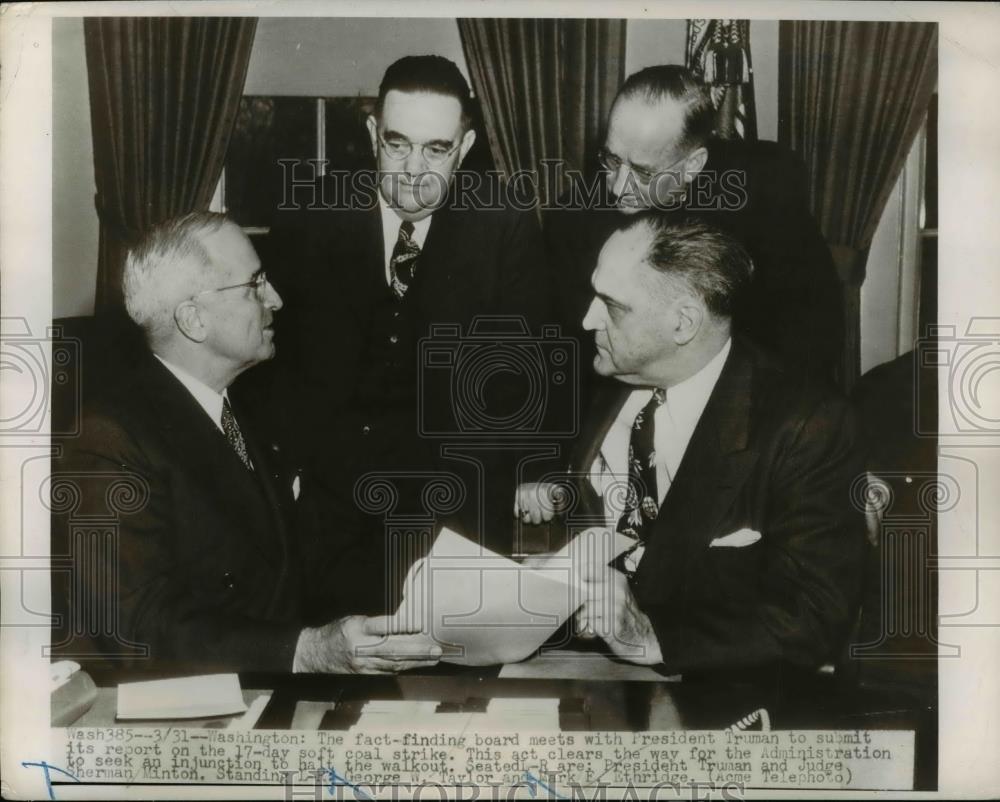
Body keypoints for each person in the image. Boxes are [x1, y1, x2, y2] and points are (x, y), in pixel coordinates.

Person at [52, 212, 441, 675]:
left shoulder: (242, 409)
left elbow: (292, 568)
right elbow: (136, 626)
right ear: (193, 319)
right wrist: (306, 650)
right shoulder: (107, 440)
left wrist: (431, 592)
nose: (275, 298)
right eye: (254, 285)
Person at [256, 55, 555, 614]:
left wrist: (531, 469)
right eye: (397, 144)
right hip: (330, 503)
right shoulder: (313, 212)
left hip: (454, 501)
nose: (413, 169)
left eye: (437, 149)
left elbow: (526, 367)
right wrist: (282, 470)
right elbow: (269, 353)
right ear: (374, 133)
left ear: (465, 147)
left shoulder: (503, 224)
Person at [517, 214, 866, 676]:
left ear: (683, 323)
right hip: (578, 670)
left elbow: (815, 613)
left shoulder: (806, 425)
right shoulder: (604, 375)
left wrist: (650, 637)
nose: (587, 320)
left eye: (612, 305)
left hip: (714, 686)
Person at [545, 64, 843, 386]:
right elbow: (577, 352)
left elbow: (811, 330)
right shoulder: (573, 218)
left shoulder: (763, 196)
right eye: (612, 160)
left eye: (644, 173)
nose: (618, 188)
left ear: (693, 164)